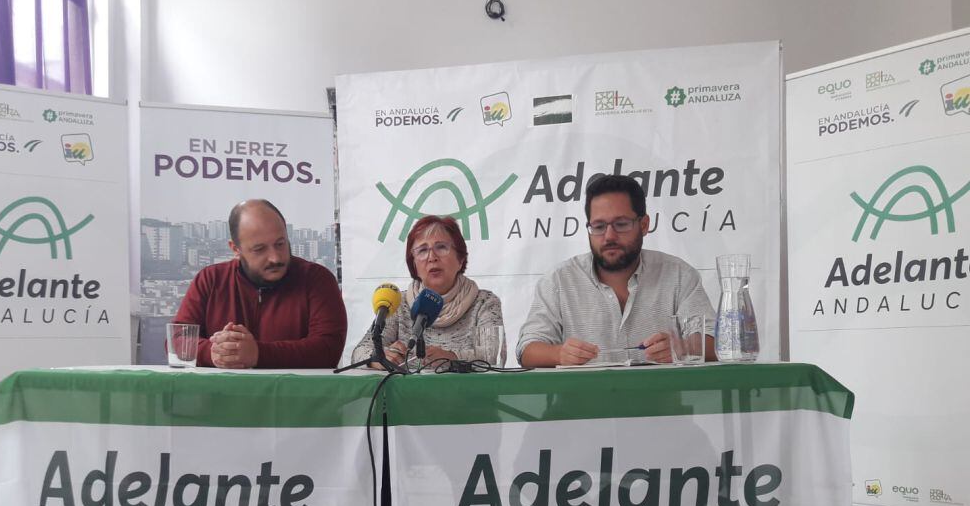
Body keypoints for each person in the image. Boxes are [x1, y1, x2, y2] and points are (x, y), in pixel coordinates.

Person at [517, 174, 715, 366]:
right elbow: (527, 350)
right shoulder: (559, 281)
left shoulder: (678, 275)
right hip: (579, 400)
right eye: (599, 226)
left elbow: (716, 341)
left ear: (644, 225)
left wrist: (682, 348)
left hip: (659, 399)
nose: (609, 236)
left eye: (621, 224)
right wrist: (559, 354)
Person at [172, 198, 347, 369]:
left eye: (280, 244)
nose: (275, 258)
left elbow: (328, 349)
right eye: (260, 249)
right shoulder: (211, 279)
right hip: (220, 397)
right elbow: (177, 339)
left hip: (297, 397)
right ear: (235, 249)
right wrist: (214, 352)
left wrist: (258, 354)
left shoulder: (317, 280)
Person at [350, 214, 503, 368]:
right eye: (422, 250)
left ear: (460, 259)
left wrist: (453, 358)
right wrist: (378, 358)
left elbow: (492, 357)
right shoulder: (398, 303)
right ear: (414, 265)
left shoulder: (484, 302)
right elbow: (360, 352)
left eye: (441, 247)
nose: (432, 257)